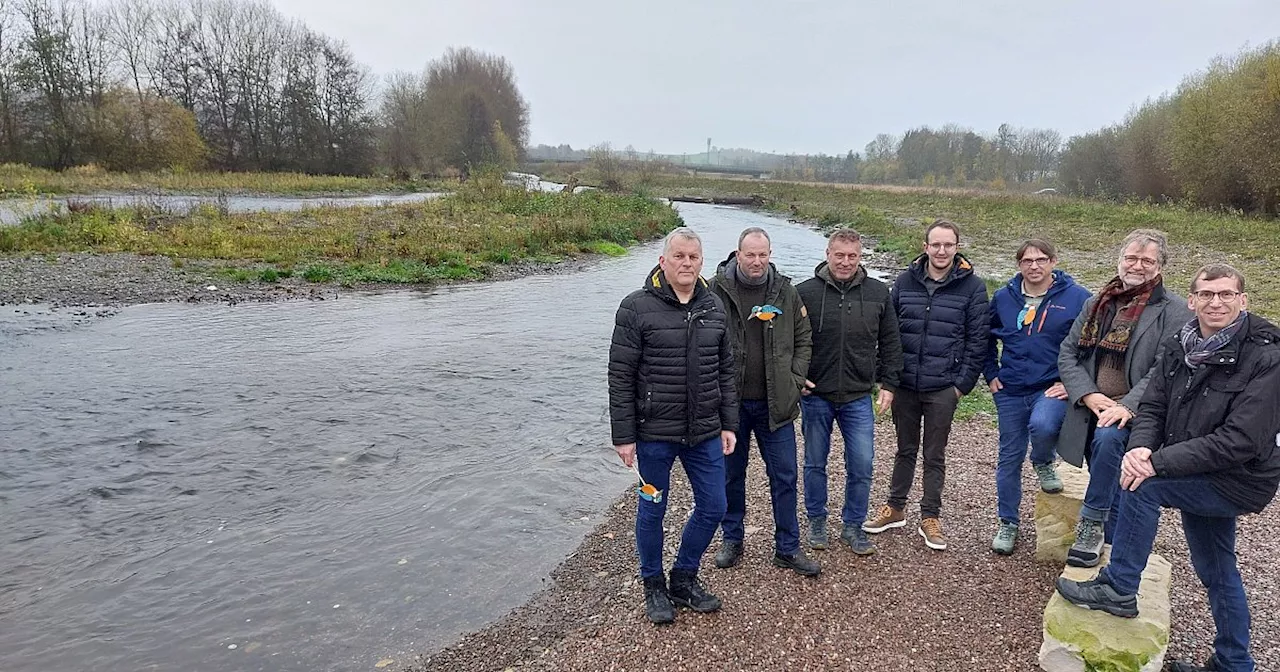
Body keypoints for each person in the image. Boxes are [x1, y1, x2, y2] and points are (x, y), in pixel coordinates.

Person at [1056, 263, 1280, 672]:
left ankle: (1120, 587)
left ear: (1243, 300)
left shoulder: (1266, 355)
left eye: (1226, 294)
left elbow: (1241, 441)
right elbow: (1154, 405)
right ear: (1192, 300)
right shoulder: (1183, 342)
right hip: (1196, 465)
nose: (1217, 303)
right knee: (1216, 566)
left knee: (1143, 487)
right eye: (1207, 295)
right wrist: (1141, 449)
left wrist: (1155, 464)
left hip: (1238, 477)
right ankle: (1234, 663)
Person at [608, 226, 738, 625]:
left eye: (693, 257)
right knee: (652, 509)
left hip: (703, 432)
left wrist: (728, 423)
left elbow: (726, 371)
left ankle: (683, 577)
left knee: (715, 506)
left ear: (701, 262)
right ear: (663, 261)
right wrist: (624, 436)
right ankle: (653, 585)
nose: (686, 263)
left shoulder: (714, 306)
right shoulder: (636, 307)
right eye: (678, 256)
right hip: (653, 436)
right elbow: (620, 375)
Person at [1057, 229, 1192, 568]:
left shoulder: (1174, 311)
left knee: (1108, 439)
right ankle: (1115, 540)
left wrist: (1127, 405)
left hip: (1138, 407)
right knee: (1050, 427)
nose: (1138, 266)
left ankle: (1092, 525)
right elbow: (1068, 353)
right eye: (1131, 258)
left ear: (1160, 267)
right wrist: (1087, 394)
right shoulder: (1098, 302)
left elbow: (1164, 369)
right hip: (1093, 400)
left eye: (1147, 260)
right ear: (1119, 260)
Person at [864, 220, 989, 551]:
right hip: (905, 383)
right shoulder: (904, 282)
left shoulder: (973, 288)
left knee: (934, 453)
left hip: (943, 387)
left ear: (957, 247)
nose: (942, 251)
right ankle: (895, 508)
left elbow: (978, 342)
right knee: (905, 449)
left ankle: (930, 516)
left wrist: (960, 386)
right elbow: (888, 334)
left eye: (948, 245)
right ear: (925, 247)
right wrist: (886, 377)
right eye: (936, 244)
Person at [709, 227, 821, 576]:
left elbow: (804, 338)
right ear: (737, 254)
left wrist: (796, 378)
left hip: (778, 404)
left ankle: (787, 547)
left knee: (785, 476)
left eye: (763, 255)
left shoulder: (785, 291)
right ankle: (733, 539)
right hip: (730, 406)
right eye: (750, 255)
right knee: (731, 476)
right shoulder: (715, 291)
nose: (757, 262)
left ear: (769, 254)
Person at [795, 228, 903, 555]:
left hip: (858, 394)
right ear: (827, 254)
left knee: (862, 463)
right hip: (816, 395)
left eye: (852, 256)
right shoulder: (804, 293)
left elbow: (891, 342)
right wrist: (796, 377)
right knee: (815, 462)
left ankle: (853, 526)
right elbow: (789, 342)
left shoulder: (878, 293)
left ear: (860, 257)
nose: (845, 262)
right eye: (839, 255)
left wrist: (889, 383)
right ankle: (816, 521)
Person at [983, 239, 1091, 554]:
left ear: (1053, 262)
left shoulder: (1077, 298)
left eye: (1041, 259)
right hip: (1010, 389)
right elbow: (985, 338)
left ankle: (1043, 461)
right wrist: (991, 374)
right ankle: (1008, 524)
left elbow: (1090, 346)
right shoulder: (1004, 297)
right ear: (1019, 265)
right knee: (1008, 457)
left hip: (1050, 387)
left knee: (1043, 426)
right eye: (1028, 260)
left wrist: (1073, 384)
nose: (1034, 266)